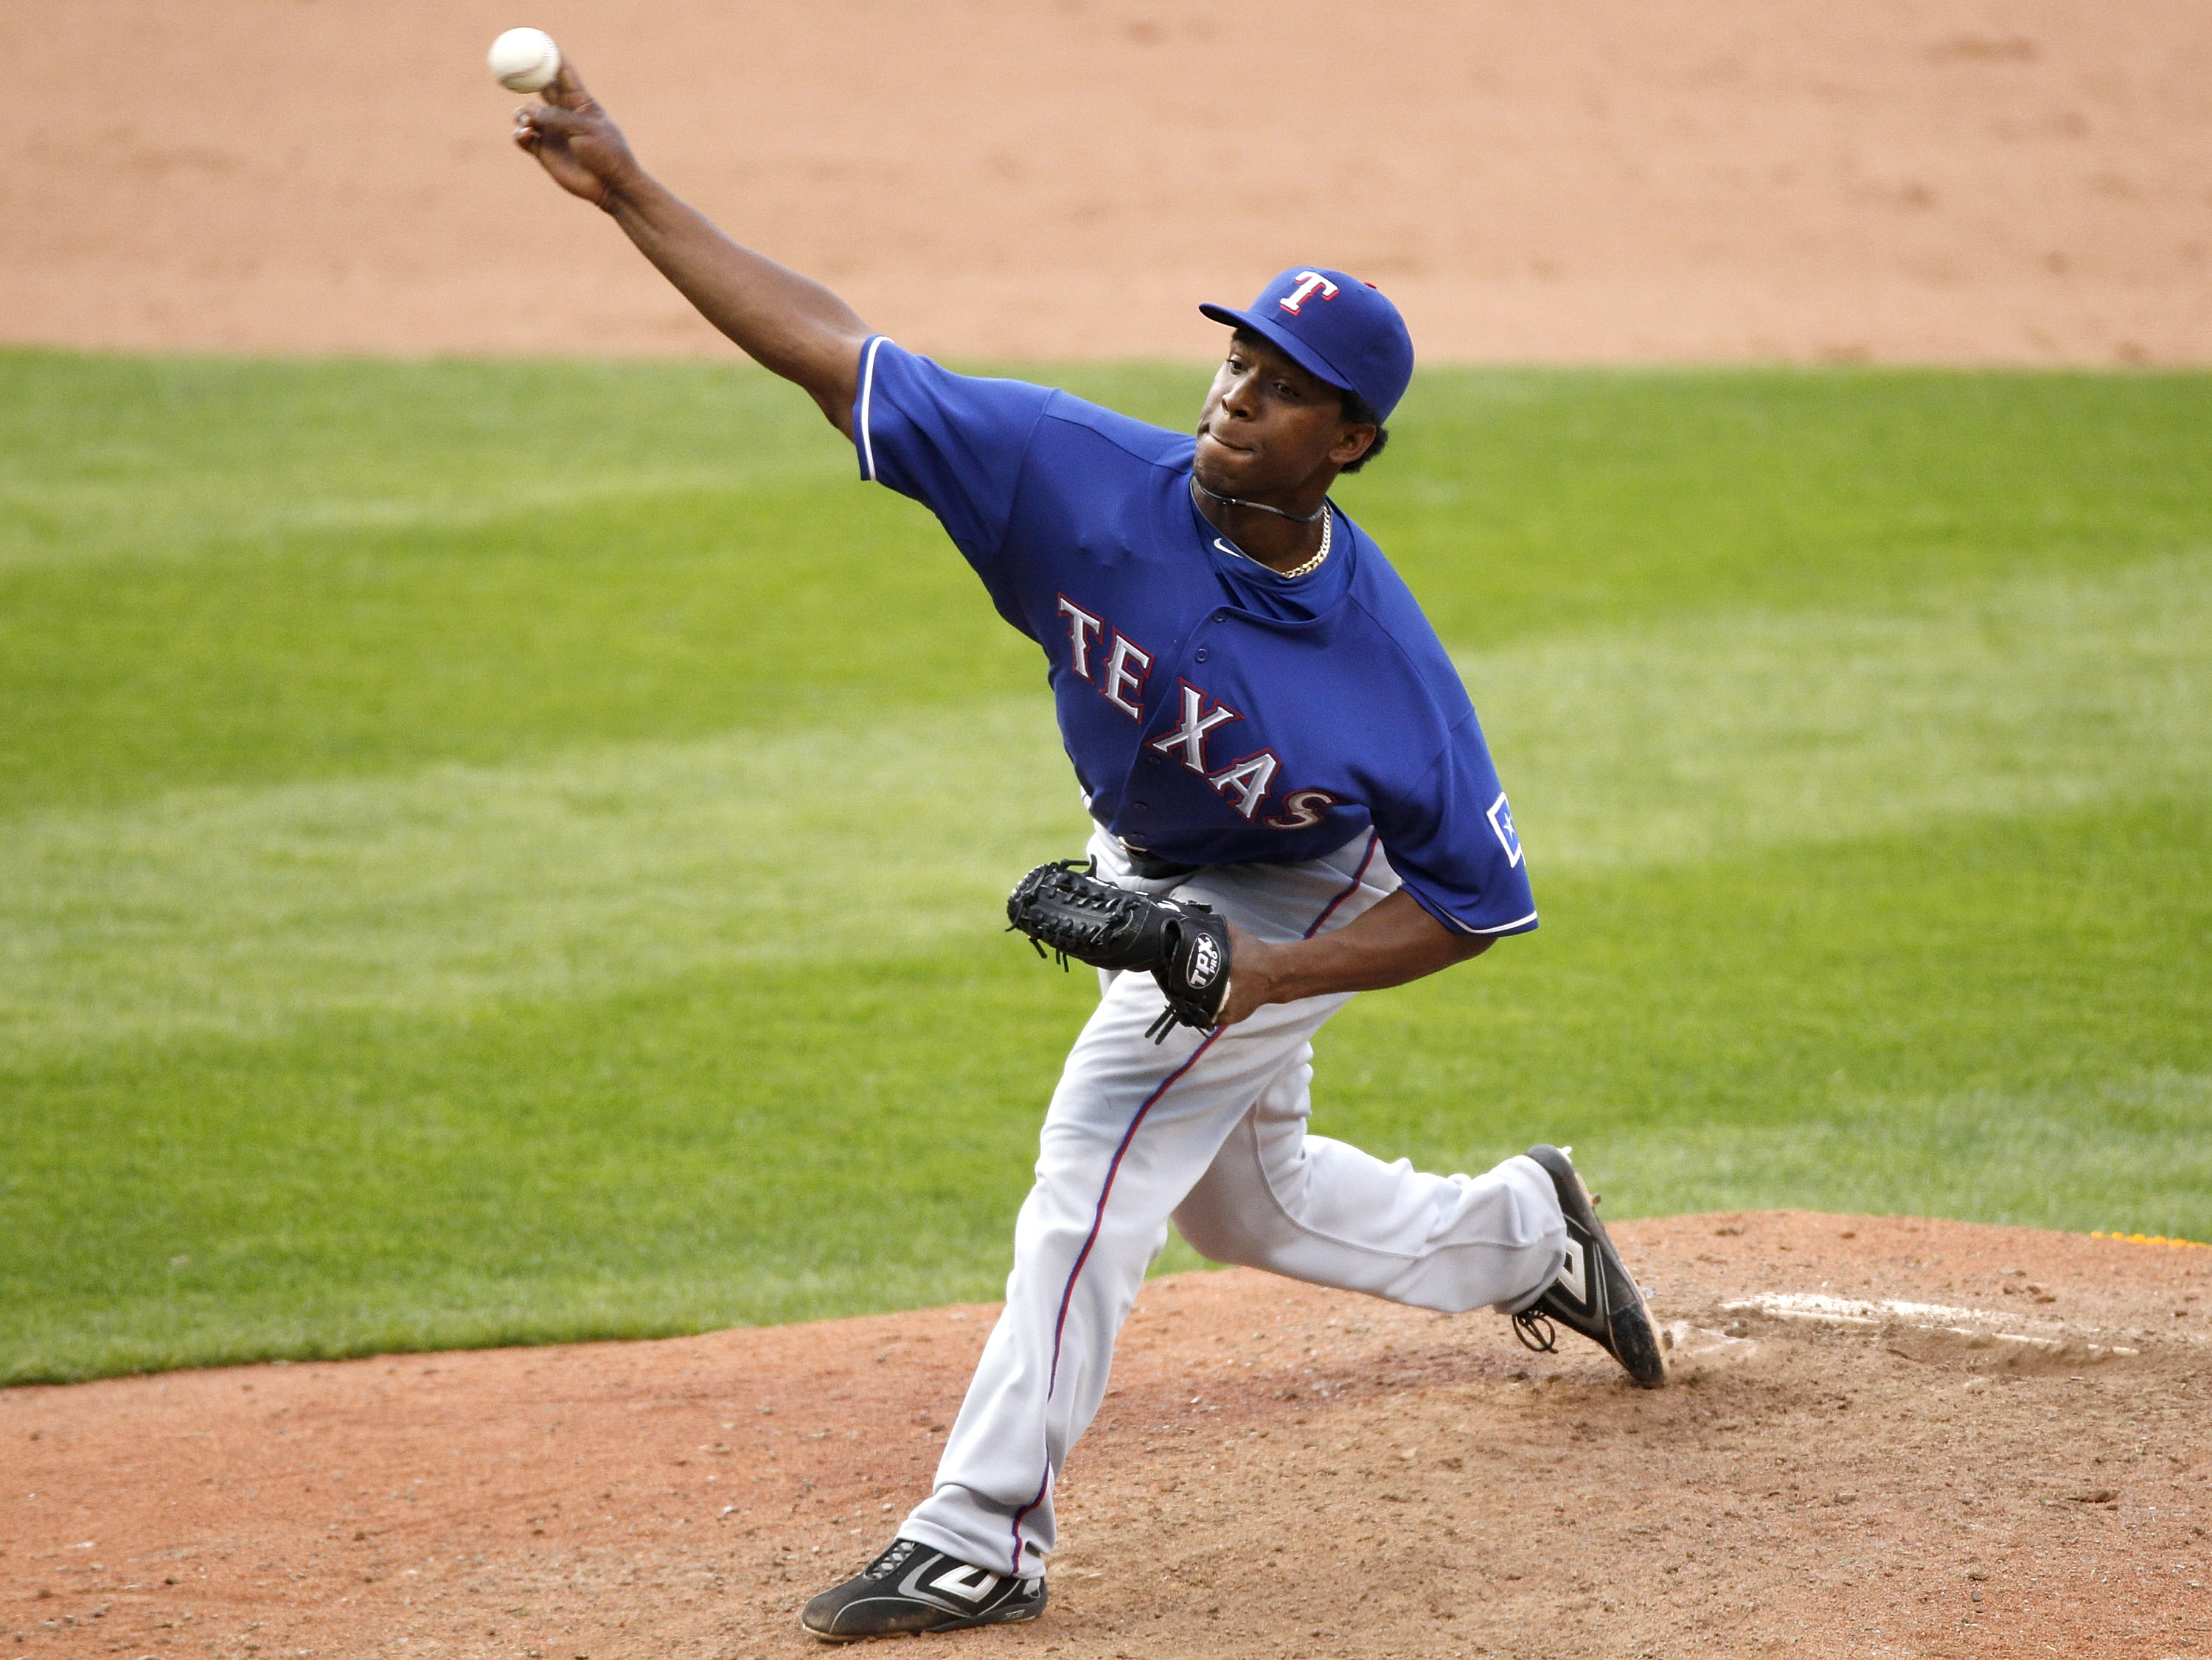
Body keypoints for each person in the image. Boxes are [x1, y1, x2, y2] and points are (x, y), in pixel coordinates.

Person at [511, 59, 1666, 1645]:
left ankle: (982, 1528)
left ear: (1353, 441)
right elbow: (833, 358)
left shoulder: (1390, 684)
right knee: (1240, 1207)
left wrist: (1275, 973)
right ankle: (1531, 1232)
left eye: (1284, 385)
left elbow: (1477, 906)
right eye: (1237, 359)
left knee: (1100, 1152)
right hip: (1153, 847)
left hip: (1302, 880)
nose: (1235, 396)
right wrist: (631, 188)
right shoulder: (1070, 473)